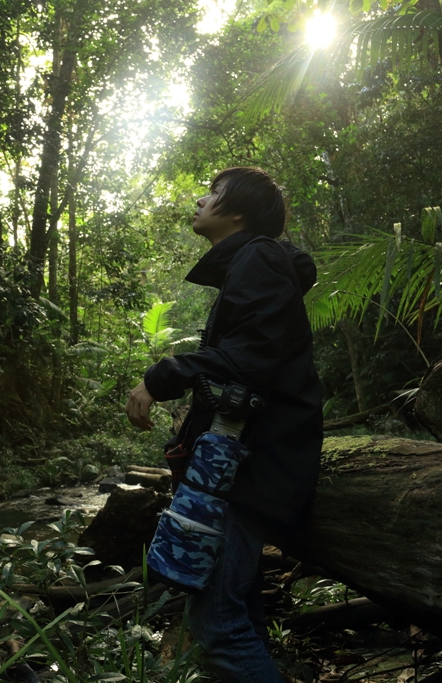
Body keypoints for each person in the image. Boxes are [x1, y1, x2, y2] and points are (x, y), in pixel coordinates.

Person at [125, 167, 323, 682]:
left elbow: (249, 356)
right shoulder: (257, 262)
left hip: (251, 464)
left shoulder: (258, 258)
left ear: (238, 211)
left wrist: (160, 378)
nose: (199, 199)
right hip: (248, 460)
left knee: (217, 627)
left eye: (212, 193)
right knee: (241, 616)